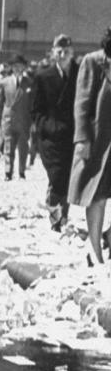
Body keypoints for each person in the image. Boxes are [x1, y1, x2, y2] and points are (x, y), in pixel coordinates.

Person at [67, 26, 111, 270]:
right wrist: (82, 139)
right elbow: (82, 103)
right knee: (98, 195)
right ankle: (95, 251)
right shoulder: (93, 62)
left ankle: (108, 236)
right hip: (99, 142)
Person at [32, 34, 79, 230]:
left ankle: (62, 217)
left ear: (72, 53)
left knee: (67, 176)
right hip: (51, 135)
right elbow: (36, 108)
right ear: (52, 53)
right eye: (58, 51)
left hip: (73, 133)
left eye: (66, 52)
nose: (62, 55)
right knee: (56, 174)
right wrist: (45, 126)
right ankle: (55, 215)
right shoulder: (43, 76)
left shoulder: (80, 73)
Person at [0, 56, 33, 181]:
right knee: (8, 146)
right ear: (11, 68)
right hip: (9, 119)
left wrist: (33, 121)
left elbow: (33, 104)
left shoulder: (29, 83)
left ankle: (21, 171)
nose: (17, 69)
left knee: (23, 147)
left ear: (24, 67)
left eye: (20, 66)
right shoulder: (4, 82)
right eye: (15, 66)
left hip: (24, 120)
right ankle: (8, 172)